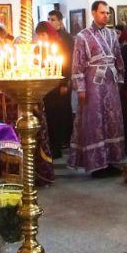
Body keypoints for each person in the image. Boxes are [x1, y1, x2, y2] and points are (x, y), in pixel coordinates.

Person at [69, 1, 125, 177]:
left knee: (112, 120)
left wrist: (120, 79)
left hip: (111, 83)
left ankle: (112, 160)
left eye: (108, 13)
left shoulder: (112, 34)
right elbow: (77, 64)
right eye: (102, 13)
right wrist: (80, 88)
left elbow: (118, 58)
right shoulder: (83, 36)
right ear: (93, 13)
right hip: (93, 84)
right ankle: (97, 164)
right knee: (95, 121)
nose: (106, 16)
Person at [46, 10, 74, 152]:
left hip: (63, 79)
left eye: (53, 19)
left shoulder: (66, 38)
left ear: (60, 21)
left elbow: (68, 61)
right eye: (48, 19)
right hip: (51, 80)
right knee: (53, 111)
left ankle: (65, 139)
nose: (50, 22)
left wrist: (65, 82)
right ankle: (56, 140)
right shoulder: (50, 37)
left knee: (63, 109)